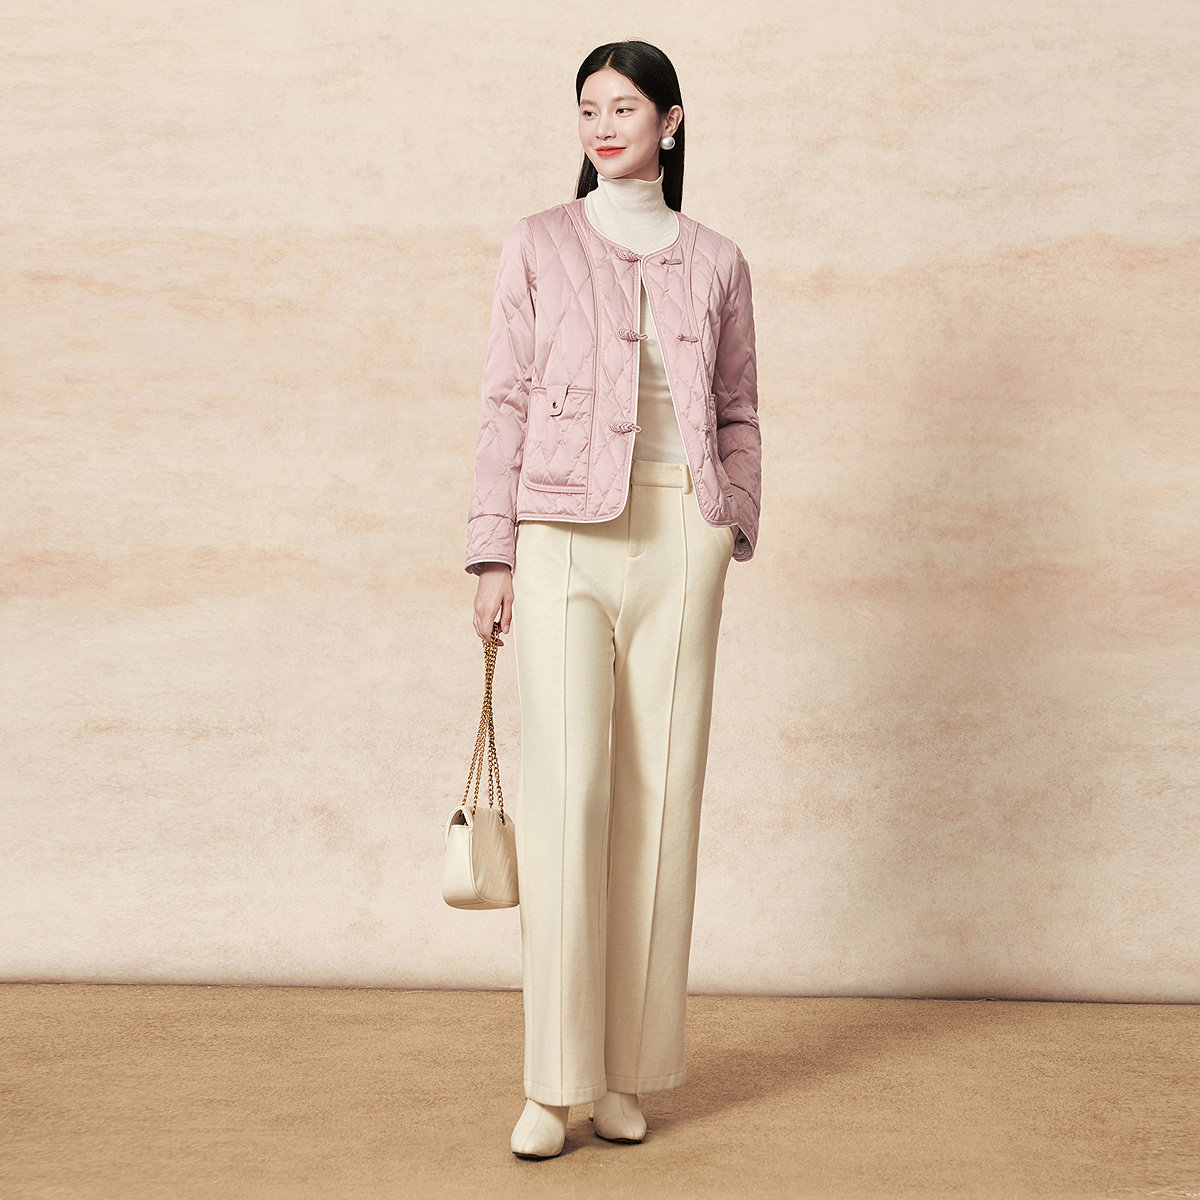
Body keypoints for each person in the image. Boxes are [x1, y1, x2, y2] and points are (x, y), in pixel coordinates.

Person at [464, 40, 762, 1159]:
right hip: (559, 535)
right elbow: (503, 398)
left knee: (660, 794)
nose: (602, 125)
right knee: (569, 795)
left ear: (670, 122)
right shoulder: (538, 242)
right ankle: (554, 1085)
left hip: (683, 532)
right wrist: (492, 554)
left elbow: (738, 409)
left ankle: (624, 1075)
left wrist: (731, 519)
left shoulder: (719, 260)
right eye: (588, 108)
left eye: (624, 107)